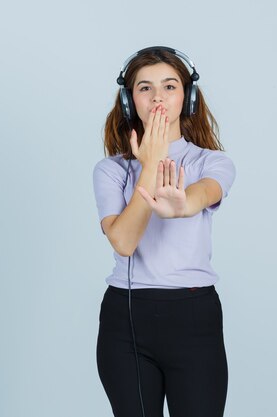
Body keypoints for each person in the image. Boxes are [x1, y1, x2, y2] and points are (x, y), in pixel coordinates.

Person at [92, 46, 236, 417]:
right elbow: (123, 241)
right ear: (129, 101)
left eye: (169, 86)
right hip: (127, 322)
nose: (158, 97)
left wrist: (182, 205)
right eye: (145, 88)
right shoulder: (111, 170)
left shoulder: (212, 162)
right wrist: (150, 165)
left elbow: (202, 194)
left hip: (193, 317)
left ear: (187, 98)